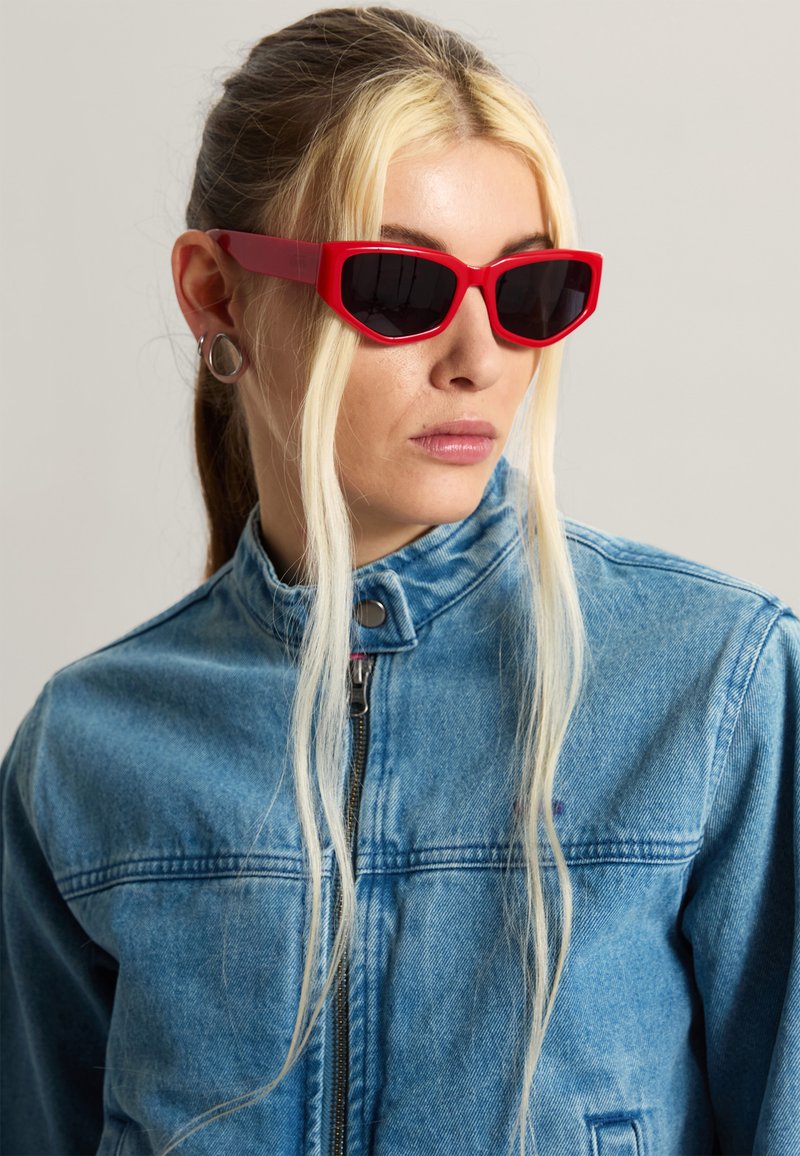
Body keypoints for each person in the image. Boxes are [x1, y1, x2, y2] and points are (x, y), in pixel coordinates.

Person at [1, 6, 798, 1155]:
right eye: (395, 284)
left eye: (527, 294)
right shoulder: (88, 752)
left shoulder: (709, 693)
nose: (478, 356)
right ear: (217, 295)